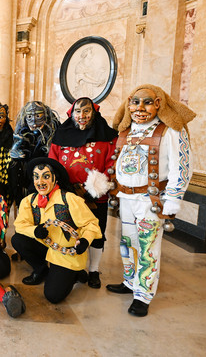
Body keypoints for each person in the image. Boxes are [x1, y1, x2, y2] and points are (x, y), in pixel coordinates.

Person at [106, 84, 195, 317]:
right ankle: (129, 281)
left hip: (151, 200)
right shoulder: (126, 130)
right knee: (127, 242)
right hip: (125, 197)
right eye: (135, 102)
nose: (140, 108)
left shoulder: (171, 130)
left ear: (158, 104)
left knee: (147, 247)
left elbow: (182, 166)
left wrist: (173, 198)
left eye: (147, 102)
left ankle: (143, 295)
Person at [48, 97, 118, 289]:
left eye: (86, 111)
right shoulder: (60, 136)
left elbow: (112, 165)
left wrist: (95, 188)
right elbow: (52, 163)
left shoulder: (108, 137)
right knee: (71, 231)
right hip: (68, 195)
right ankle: (76, 267)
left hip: (96, 196)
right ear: (71, 114)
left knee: (96, 233)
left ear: (94, 113)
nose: (82, 116)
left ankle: (94, 270)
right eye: (78, 112)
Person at [12, 157, 101, 303]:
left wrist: (85, 240)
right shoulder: (29, 201)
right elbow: (20, 224)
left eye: (46, 176)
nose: (40, 182)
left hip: (66, 254)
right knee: (18, 239)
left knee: (53, 296)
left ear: (55, 179)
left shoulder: (70, 200)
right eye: (36, 177)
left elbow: (91, 224)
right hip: (46, 246)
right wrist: (35, 231)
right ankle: (41, 270)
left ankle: (75, 273)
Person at [9, 101, 60, 206]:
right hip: (25, 181)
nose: (33, 120)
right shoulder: (22, 133)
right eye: (29, 116)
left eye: (38, 116)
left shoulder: (54, 135)